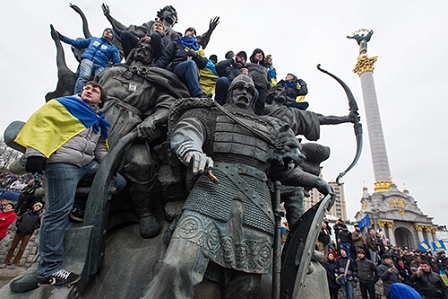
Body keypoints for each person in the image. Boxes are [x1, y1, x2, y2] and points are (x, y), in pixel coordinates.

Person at [142, 75, 335, 299]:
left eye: (249, 90)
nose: (244, 92)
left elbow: (279, 171)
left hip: (256, 206)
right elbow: (187, 132)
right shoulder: (210, 113)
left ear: (254, 97)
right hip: (211, 193)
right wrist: (192, 151)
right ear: (230, 91)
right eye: (239, 87)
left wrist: (315, 181)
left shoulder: (269, 128)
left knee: (249, 287)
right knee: (176, 265)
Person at [14, 81, 110, 287]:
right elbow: (43, 124)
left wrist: (110, 165)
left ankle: (78, 206)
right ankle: (48, 269)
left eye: (95, 90)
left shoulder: (97, 120)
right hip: (63, 164)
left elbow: (100, 147)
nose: (89, 90)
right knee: (57, 213)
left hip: (85, 165)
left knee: (116, 181)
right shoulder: (64, 105)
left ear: (101, 100)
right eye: (87, 88)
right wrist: (35, 152)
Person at [96, 40, 190, 238]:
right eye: (139, 48)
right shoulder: (110, 73)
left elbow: (169, 105)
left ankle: (144, 212)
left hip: (131, 128)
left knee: (142, 164)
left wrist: (152, 121)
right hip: (97, 121)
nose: (142, 50)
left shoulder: (154, 81)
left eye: (148, 50)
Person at [102, 4, 219, 52]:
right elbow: (128, 30)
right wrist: (109, 17)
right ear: (162, 14)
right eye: (170, 11)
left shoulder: (176, 34)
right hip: (142, 50)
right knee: (125, 35)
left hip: (161, 56)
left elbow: (196, 43)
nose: (172, 14)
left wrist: (209, 31)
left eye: (175, 15)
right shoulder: (150, 25)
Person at [55, 27, 121, 94]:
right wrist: (61, 37)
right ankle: (77, 95)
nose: (107, 32)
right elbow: (77, 43)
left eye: (110, 32)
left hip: (100, 66)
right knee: (84, 77)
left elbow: (117, 63)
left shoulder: (113, 49)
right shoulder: (94, 39)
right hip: (88, 60)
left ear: (112, 36)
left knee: (98, 83)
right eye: (106, 31)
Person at [155, 27, 209, 97]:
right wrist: (155, 67)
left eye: (194, 32)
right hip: (178, 69)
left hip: (193, 74)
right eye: (190, 31)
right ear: (185, 33)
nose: (192, 33)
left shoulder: (199, 48)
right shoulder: (177, 42)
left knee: (191, 64)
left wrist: (195, 55)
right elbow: (165, 57)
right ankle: (198, 95)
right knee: (190, 63)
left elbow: (203, 63)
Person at [1, 202, 42, 269]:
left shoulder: (37, 217)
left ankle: (15, 262)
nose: (37, 207)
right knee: (12, 247)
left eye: (38, 207)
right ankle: (6, 261)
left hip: (28, 233)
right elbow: (19, 220)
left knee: (22, 248)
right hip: (19, 231)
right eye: (36, 206)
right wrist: (18, 225)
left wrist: (32, 227)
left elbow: (38, 225)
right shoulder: (26, 213)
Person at [246, 48, 271, 115]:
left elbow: (269, 80)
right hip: (251, 84)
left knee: (260, 104)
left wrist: (268, 84)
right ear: (254, 55)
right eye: (258, 53)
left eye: (262, 54)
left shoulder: (265, 69)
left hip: (263, 87)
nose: (260, 55)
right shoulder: (248, 65)